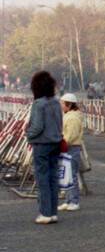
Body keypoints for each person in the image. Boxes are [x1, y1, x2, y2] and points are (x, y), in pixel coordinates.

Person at [25, 69, 63, 224]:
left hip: (42, 144)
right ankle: (53, 212)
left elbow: (37, 126)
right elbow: (60, 122)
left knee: (42, 179)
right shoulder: (56, 102)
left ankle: (45, 213)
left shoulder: (38, 104)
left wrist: (28, 135)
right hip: (56, 142)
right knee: (53, 178)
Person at [59, 93, 85, 212]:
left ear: (68, 105)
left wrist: (61, 144)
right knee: (67, 176)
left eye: (62, 104)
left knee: (71, 175)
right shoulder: (70, 115)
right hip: (69, 147)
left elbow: (71, 135)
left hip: (71, 148)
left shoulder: (72, 117)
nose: (61, 106)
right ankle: (69, 201)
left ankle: (74, 201)